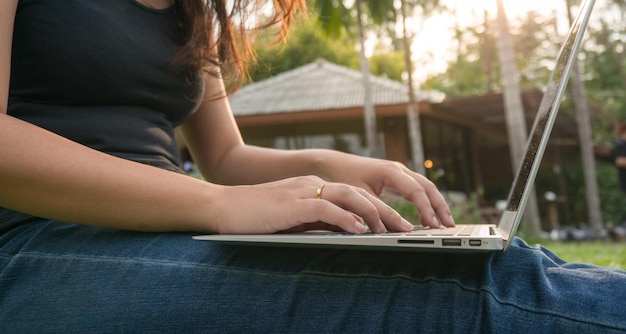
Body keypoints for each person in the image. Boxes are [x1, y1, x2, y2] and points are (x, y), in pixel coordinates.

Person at [0, 1, 625, 332]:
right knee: (452, 298)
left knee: (504, 266)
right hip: (33, 242)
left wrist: (340, 165)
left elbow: (225, 157)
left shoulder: (193, 12)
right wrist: (218, 205)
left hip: (171, 231)